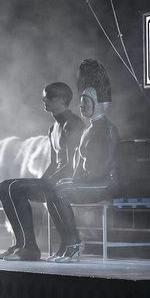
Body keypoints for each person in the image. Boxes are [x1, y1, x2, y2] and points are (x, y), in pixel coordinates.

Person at [0, 82, 85, 261]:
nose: (44, 100)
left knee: (16, 188)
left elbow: (71, 164)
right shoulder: (53, 127)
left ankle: (30, 248)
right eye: (44, 97)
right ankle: (21, 244)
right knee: (4, 186)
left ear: (63, 100)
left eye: (49, 96)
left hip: (66, 181)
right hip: (54, 179)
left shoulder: (73, 124)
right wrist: (41, 181)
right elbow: (54, 163)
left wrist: (45, 183)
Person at [45, 60, 120, 263]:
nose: (81, 106)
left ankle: (74, 243)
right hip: (90, 181)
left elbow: (106, 165)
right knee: (52, 192)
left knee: (61, 192)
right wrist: (73, 179)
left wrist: (79, 181)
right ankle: (66, 243)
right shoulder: (87, 130)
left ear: (97, 104)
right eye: (81, 102)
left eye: (86, 102)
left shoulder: (108, 129)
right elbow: (79, 161)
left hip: (106, 182)